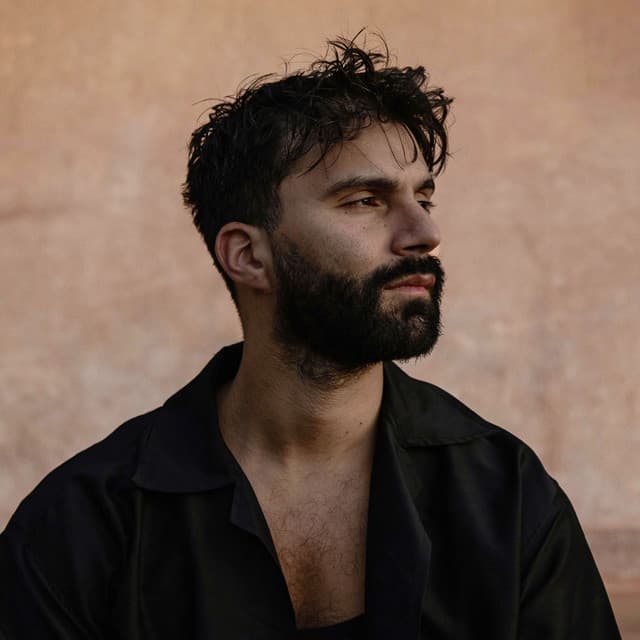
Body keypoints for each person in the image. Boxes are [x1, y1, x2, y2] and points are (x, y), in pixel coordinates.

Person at [0, 35, 621, 640]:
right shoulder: (84, 525)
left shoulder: (506, 498)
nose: (424, 233)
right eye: (365, 200)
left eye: (424, 197)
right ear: (248, 256)